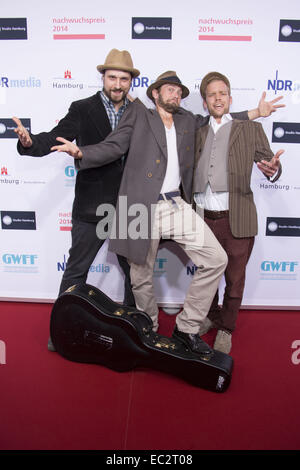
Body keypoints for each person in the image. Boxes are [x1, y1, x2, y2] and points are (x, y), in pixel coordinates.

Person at [50, 71, 282, 356]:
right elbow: (115, 145)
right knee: (140, 275)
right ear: (155, 94)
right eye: (169, 90)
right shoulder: (139, 115)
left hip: (176, 205)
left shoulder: (188, 120)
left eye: (179, 91)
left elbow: (221, 119)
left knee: (215, 258)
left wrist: (257, 112)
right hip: (137, 207)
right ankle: (148, 328)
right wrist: (83, 153)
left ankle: (186, 328)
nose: (175, 94)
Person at [13, 48, 139, 351]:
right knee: (76, 270)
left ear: (131, 81)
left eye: (123, 78)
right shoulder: (83, 108)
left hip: (130, 207)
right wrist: (30, 142)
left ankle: (136, 327)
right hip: (92, 205)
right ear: (103, 78)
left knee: (136, 274)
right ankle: (61, 328)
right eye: (112, 77)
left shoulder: (139, 112)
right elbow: (56, 137)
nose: (118, 84)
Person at [193, 71, 284, 354]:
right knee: (205, 275)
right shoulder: (197, 132)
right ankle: (209, 316)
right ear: (205, 102)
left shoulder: (250, 129)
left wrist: (273, 169)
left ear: (230, 98)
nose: (218, 98)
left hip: (237, 218)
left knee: (234, 279)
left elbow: (271, 163)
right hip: (202, 218)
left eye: (222, 93)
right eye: (211, 94)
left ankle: (226, 328)